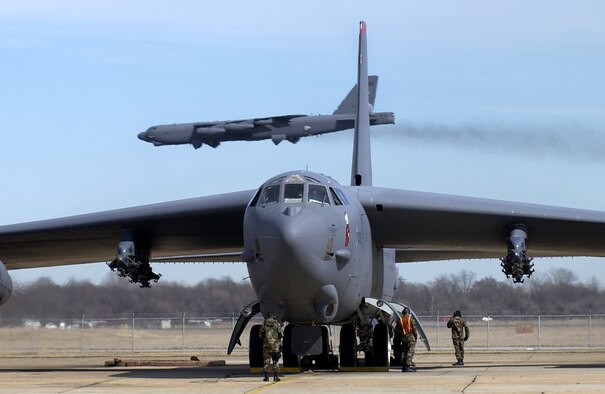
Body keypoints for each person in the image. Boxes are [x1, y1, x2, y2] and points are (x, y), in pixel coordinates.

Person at [259, 312, 283, 382]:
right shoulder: (277, 324)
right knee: (275, 361)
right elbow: (281, 334)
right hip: (275, 345)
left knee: (266, 361)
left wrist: (266, 339)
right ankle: (276, 377)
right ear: (273, 317)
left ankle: (266, 377)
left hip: (266, 345)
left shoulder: (263, 324)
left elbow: (260, 335)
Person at [397, 307, 418, 372]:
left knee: (404, 351)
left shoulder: (400, 319)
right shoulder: (410, 319)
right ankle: (408, 366)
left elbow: (397, 329)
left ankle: (403, 367)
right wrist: (415, 337)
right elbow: (414, 329)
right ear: (408, 313)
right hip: (410, 337)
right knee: (410, 351)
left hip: (403, 337)